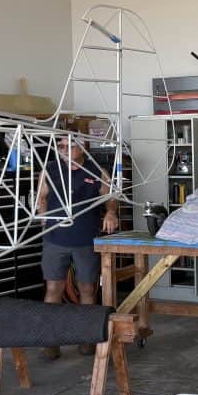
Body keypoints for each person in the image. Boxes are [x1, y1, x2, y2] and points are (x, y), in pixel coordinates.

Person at [36, 136, 120, 358]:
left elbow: (111, 196)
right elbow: (41, 197)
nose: (63, 150)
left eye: (69, 146)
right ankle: (49, 341)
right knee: (53, 289)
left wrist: (111, 212)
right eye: (60, 146)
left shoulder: (95, 170)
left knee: (87, 289)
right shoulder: (51, 169)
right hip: (55, 239)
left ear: (83, 147)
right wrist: (43, 217)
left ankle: (87, 338)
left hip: (85, 238)